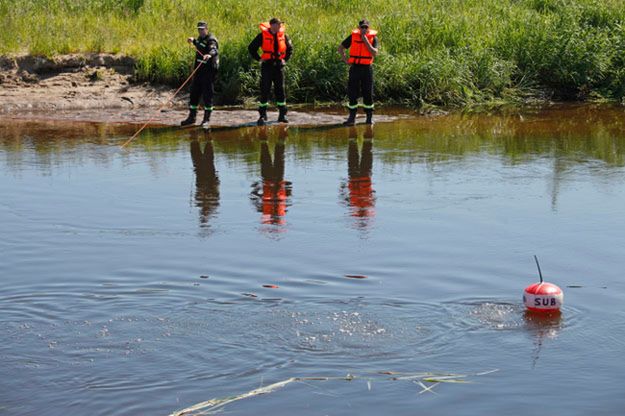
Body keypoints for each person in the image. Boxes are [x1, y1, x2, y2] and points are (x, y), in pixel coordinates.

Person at [248, 17, 293, 126]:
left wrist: (285, 60)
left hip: (279, 66)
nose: (280, 26)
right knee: (265, 89)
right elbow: (251, 48)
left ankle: (282, 115)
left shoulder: (283, 35)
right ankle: (262, 115)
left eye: (280, 24)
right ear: (272, 25)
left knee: (280, 90)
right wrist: (259, 59)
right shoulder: (262, 35)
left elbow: (290, 49)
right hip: (267, 66)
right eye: (278, 24)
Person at [338, 19, 379, 126]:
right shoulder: (353, 36)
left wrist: (365, 40)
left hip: (367, 69)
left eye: (366, 27)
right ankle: (352, 118)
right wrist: (345, 59)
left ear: (368, 28)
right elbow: (341, 47)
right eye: (362, 27)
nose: (364, 29)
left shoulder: (373, 38)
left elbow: (374, 53)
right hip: (355, 68)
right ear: (359, 27)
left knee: (368, 93)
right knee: (352, 92)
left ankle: (369, 118)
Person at [181, 21, 219, 128]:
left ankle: (206, 120)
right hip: (198, 72)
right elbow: (199, 45)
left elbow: (213, 49)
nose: (201, 31)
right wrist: (193, 41)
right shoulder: (200, 39)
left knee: (208, 95)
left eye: (202, 29)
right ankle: (191, 118)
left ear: (207, 29)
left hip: (209, 73)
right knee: (194, 94)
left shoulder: (211, 39)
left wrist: (209, 55)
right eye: (199, 29)